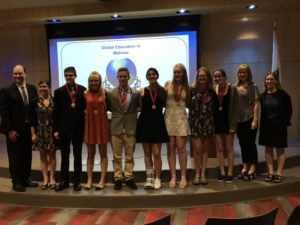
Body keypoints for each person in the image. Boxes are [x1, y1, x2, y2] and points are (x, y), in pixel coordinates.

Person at [0, 64, 39, 192]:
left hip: (29, 129)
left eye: (20, 73)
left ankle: (26, 178)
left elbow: (35, 110)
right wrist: (10, 130)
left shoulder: (32, 88)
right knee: (15, 156)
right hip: (14, 131)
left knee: (27, 155)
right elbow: (4, 113)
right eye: (15, 73)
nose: (17, 76)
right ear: (13, 75)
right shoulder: (6, 90)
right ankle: (16, 181)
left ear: (25, 74)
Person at [106, 67, 141, 190]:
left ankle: (129, 177)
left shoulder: (136, 93)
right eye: (120, 76)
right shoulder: (110, 94)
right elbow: (109, 108)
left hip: (130, 128)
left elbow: (139, 107)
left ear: (128, 77)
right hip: (116, 127)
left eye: (125, 76)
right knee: (117, 156)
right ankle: (118, 178)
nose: (122, 78)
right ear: (117, 77)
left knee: (130, 156)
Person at [53, 66, 86, 191]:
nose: (68, 77)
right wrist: (56, 130)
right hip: (64, 129)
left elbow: (84, 110)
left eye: (71, 75)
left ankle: (77, 182)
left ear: (75, 75)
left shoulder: (83, 90)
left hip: (78, 128)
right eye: (66, 75)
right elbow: (56, 113)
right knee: (64, 156)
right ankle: (64, 181)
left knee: (78, 155)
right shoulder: (59, 92)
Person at [136, 68, 169, 190]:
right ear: (147, 77)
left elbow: (166, 105)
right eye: (149, 74)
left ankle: (158, 178)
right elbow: (139, 107)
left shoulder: (163, 91)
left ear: (157, 75)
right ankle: (149, 178)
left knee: (156, 153)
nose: (151, 76)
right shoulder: (142, 92)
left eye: (153, 74)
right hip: (145, 123)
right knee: (147, 153)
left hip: (158, 123)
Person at [259, 72, 292, 183]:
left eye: (271, 79)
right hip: (266, 127)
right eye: (267, 79)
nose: (269, 81)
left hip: (279, 126)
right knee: (268, 149)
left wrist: (284, 123)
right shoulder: (262, 96)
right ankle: (271, 172)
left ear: (276, 81)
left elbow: (289, 110)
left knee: (280, 149)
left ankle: (279, 173)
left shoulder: (283, 94)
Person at [189, 67, 217, 185]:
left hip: (207, 122)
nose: (202, 78)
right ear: (197, 77)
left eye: (204, 76)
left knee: (205, 150)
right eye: (200, 76)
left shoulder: (212, 91)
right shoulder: (192, 90)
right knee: (197, 149)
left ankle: (203, 174)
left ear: (208, 78)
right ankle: (196, 174)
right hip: (195, 122)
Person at [164, 63, 190, 188]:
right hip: (168, 119)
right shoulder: (168, 84)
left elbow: (190, 104)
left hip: (181, 119)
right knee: (170, 149)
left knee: (181, 149)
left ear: (183, 73)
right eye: (175, 72)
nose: (176, 74)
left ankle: (183, 176)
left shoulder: (187, 87)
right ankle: (173, 176)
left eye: (179, 72)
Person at [84, 71, 110, 190]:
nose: (94, 82)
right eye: (92, 80)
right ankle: (89, 180)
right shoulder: (85, 93)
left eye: (96, 80)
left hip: (102, 126)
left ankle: (102, 180)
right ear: (89, 82)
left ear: (100, 81)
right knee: (90, 154)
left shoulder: (105, 93)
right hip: (90, 126)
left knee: (103, 154)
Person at [213, 69, 239, 183]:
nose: (217, 79)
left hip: (228, 122)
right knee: (219, 149)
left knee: (229, 148)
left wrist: (233, 125)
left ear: (224, 76)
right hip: (217, 122)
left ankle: (230, 172)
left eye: (219, 76)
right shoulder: (214, 89)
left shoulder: (232, 89)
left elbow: (236, 108)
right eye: (215, 77)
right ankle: (222, 172)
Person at [30, 80, 56, 190]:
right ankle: (45, 178)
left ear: (49, 87)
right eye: (40, 86)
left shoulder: (55, 100)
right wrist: (33, 134)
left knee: (52, 156)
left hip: (51, 131)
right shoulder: (34, 101)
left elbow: (58, 117)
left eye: (45, 86)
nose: (42, 88)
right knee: (42, 156)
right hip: (40, 131)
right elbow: (31, 120)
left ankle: (52, 178)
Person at [235, 64, 259, 181]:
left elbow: (256, 103)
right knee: (242, 144)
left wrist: (255, 119)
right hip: (238, 120)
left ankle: (253, 168)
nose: (242, 74)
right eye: (240, 72)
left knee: (251, 144)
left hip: (249, 119)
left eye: (244, 72)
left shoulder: (252, 86)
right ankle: (245, 167)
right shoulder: (235, 87)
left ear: (248, 73)